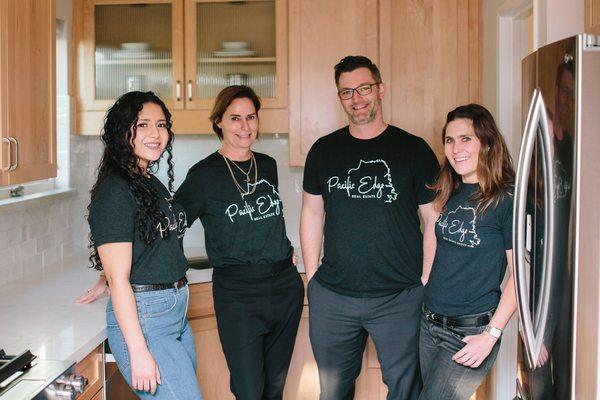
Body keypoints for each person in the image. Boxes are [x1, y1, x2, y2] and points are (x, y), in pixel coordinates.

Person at [300, 55, 440, 400]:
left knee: (405, 390)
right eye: (347, 92)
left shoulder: (414, 149)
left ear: (380, 89)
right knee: (333, 391)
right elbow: (311, 213)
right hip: (333, 296)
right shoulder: (323, 151)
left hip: (399, 297)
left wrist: (424, 281)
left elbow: (434, 219)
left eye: (364, 88)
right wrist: (312, 278)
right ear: (340, 98)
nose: (356, 99)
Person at [174, 85, 304, 400]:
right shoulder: (204, 176)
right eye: (235, 118)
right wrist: (112, 272)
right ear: (219, 121)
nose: (245, 127)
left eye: (250, 117)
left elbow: (266, 220)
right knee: (249, 390)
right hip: (238, 294)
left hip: (285, 286)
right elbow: (169, 227)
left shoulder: (268, 165)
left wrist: (283, 250)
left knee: (274, 388)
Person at [87, 91, 202, 399]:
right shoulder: (115, 190)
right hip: (148, 321)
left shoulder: (147, 181)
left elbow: (146, 242)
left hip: (174, 314)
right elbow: (119, 278)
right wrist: (138, 351)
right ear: (123, 132)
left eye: (161, 125)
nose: (155, 134)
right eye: (142, 125)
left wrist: (106, 274)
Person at [419, 104, 516, 400]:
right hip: (429, 324)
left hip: (468, 333)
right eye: (449, 140)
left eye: (466, 139)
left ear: (486, 143)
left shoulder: (506, 199)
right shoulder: (450, 188)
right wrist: (425, 280)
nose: (455, 148)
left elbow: (521, 276)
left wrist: (491, 336)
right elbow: (435, 237)